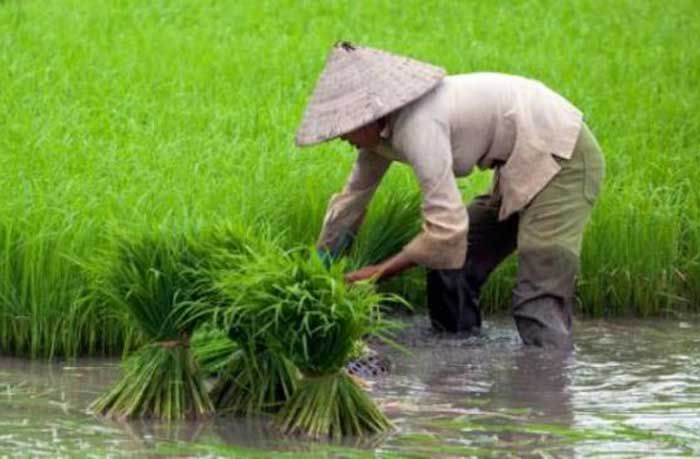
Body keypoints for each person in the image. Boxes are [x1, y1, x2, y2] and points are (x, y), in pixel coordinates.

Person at [295, 42, 604, 350]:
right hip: (521, 162)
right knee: (454, 266)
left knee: (537, 296)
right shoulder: (377, 137)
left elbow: (446, 230)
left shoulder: (419, 126)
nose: (342, 138)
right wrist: (320, 267)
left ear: (369, 116)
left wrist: (378, 272)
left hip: (563, 156)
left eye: (345, 129)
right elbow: (352, 201)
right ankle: (460, 364)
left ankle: (548, 384)